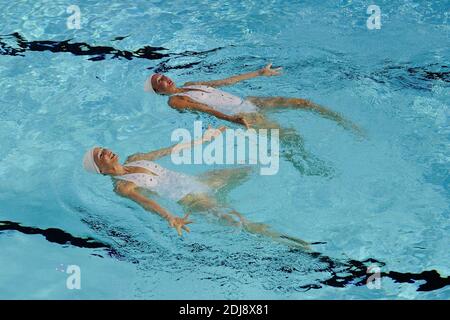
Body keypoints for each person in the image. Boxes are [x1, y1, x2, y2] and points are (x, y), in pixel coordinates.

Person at [82, 126, 310, 249]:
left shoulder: (136, 157)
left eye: (104, 148)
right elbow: (147, 203)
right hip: (192, 199)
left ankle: (293, 155)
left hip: (200, 181)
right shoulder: (122, 187)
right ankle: (291, 242)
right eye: (101, 155)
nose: (107, 151)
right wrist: (170, 217)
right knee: (239, 222)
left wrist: (204, 139)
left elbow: (171, 150)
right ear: (100, 169)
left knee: (251, 167)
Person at [144, 63, 363, 176]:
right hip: (244, 113)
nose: (165, 79)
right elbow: (205, 109)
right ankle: (310, 166)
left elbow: (223, 83)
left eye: (163, 75)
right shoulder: (176, 100)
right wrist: (232, 119)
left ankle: (346, 124)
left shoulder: (191, 82)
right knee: (289, 137)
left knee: (302, 103)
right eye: (160, 81)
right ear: (158, 91)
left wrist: (257, 73)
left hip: (248, 101)